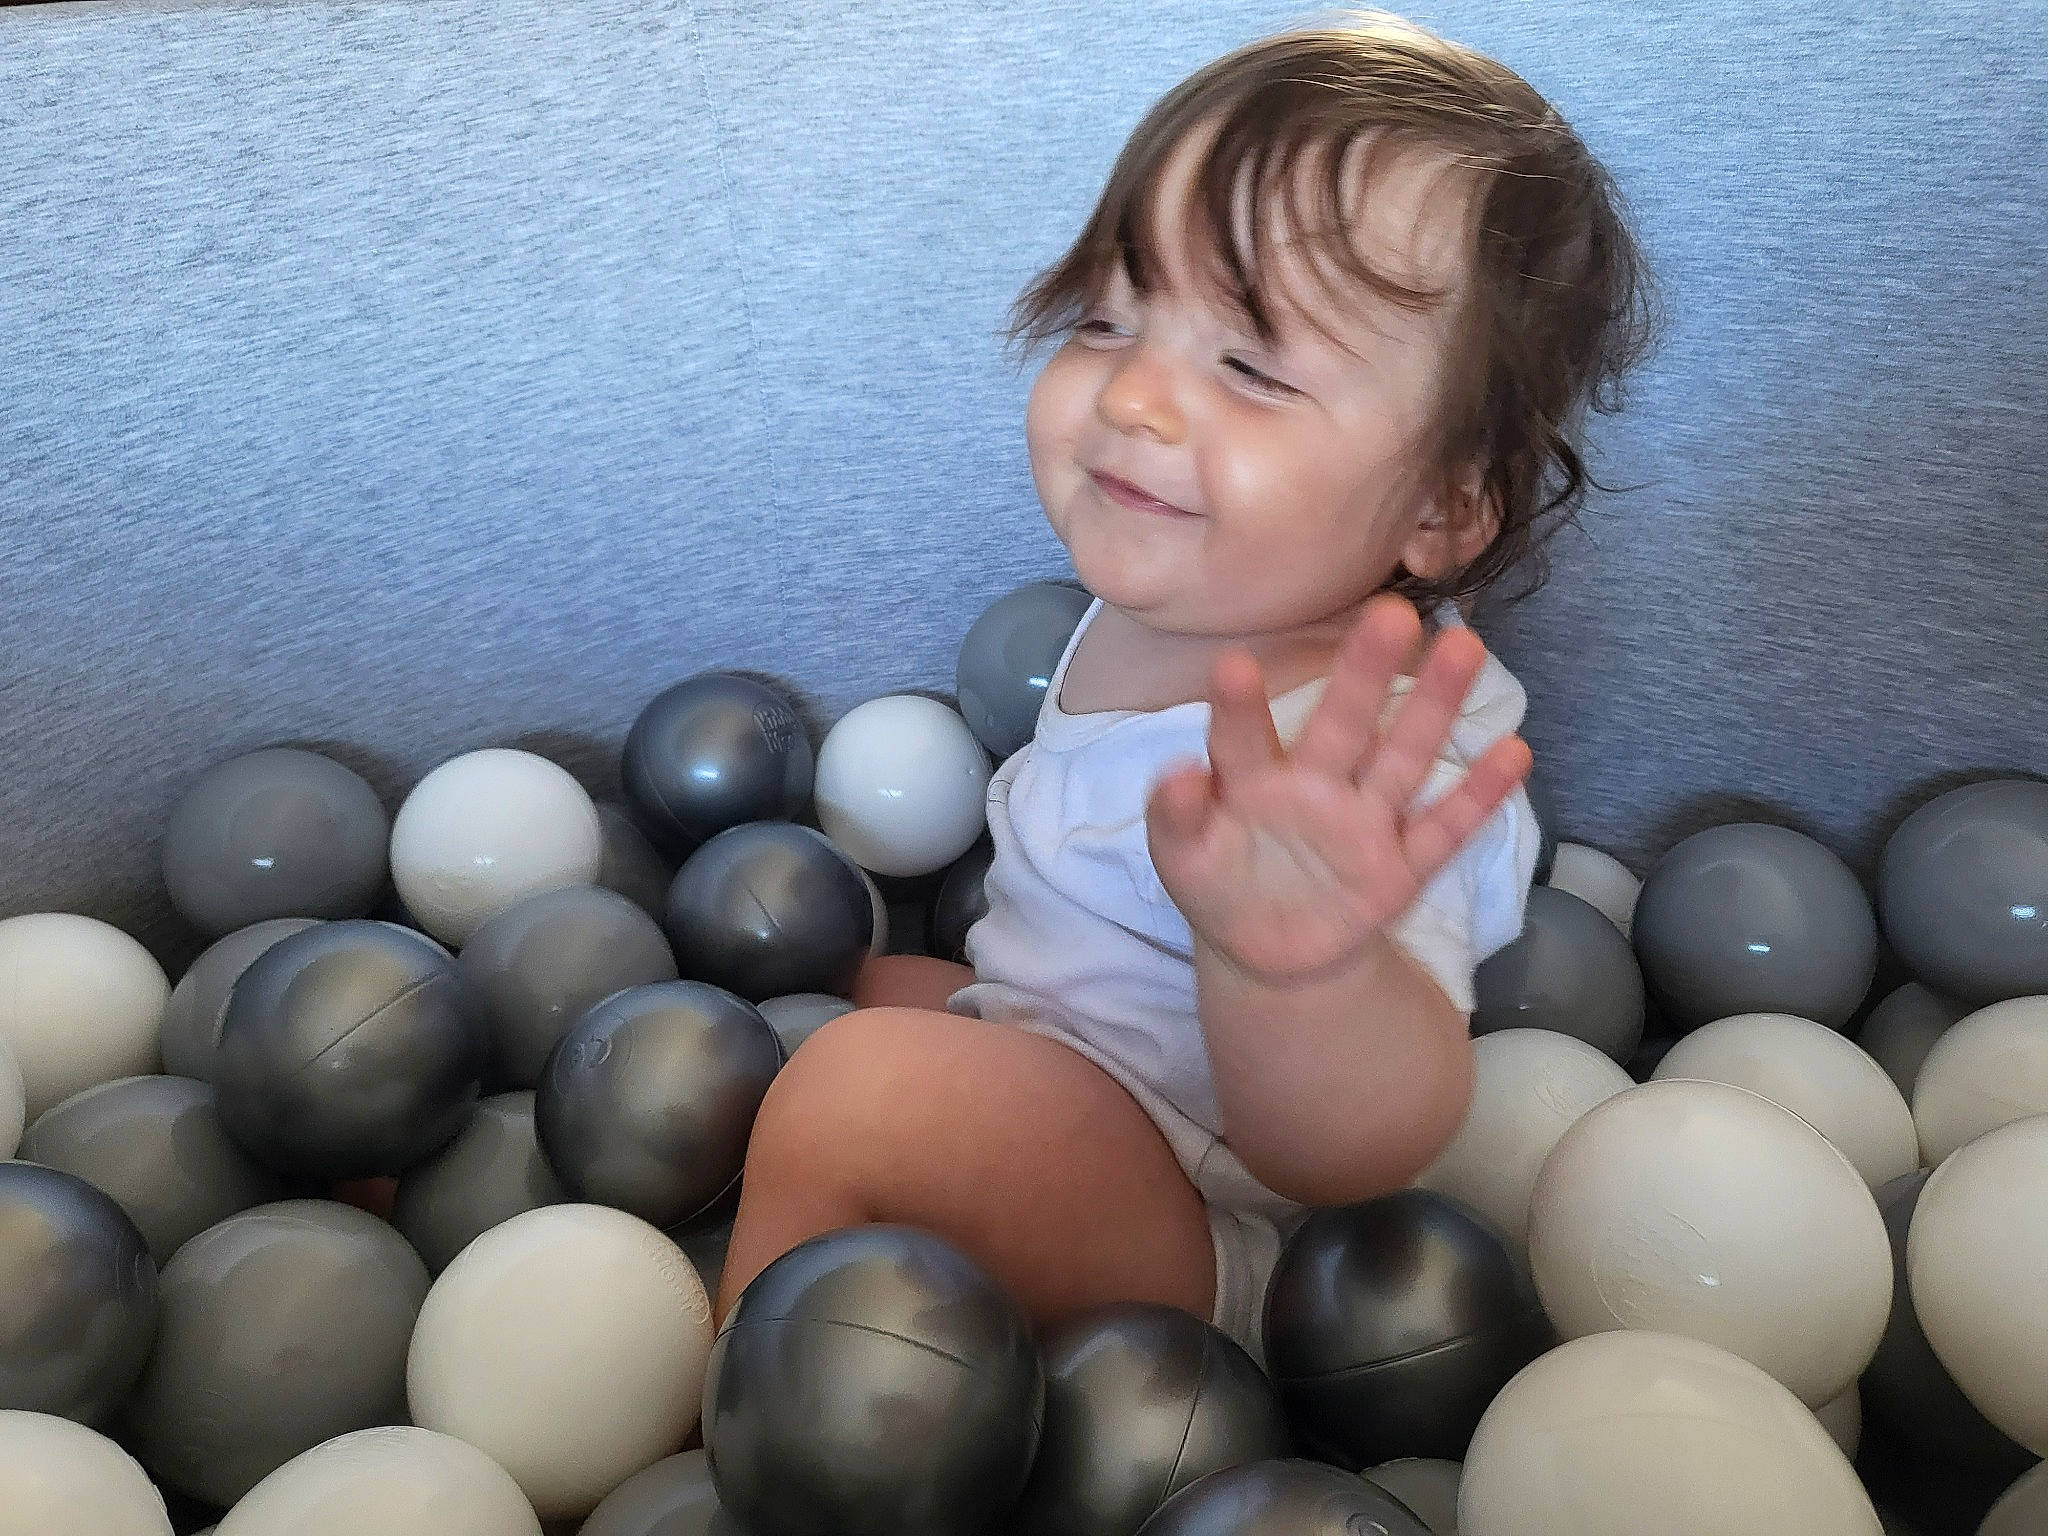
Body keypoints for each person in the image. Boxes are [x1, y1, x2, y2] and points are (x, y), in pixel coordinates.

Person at [715, 10, 1657, 1359]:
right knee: (802, 1003)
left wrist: (1300, 971)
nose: (1137, 399)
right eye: (1108, 316)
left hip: (1207, 1227)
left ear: (1448, 505)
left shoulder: (1372, 756)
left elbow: (1356, 1152)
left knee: (853, 1099)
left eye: (1253, 365)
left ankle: (721, 1431)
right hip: (1061, 1065)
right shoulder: (1197, 585)